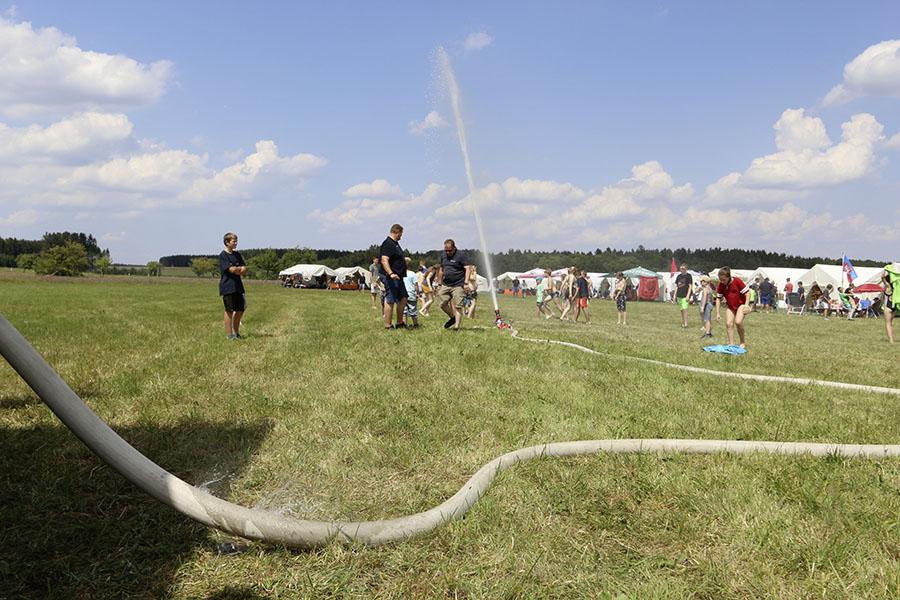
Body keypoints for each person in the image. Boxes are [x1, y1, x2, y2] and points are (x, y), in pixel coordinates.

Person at [436, 239, 474, 331]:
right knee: (442, 304)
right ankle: (452, 318)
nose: (448, 252)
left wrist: (466, 283)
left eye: (449, 250)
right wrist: (439, 283)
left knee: (458, 306)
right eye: (446, 250)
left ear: (454, 248)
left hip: (458, 284)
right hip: (446, 284)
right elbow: (441, 270)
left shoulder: (461, 255)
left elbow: (467, 268)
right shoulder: (443, 255)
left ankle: (457, 327)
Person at [379, 224, 408, 329]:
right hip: (391, 276)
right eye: (401, 234)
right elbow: (384, 260)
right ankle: (388, 325)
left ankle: (400, 323)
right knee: (390, 300)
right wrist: (391, 273)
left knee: (403, 298)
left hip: (398, 276)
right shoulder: (388, 243)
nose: (401, 236)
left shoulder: (395, 244)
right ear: (397, 232)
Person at [218, 232, 247, 340]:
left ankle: (236, 333)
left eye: (236, 241)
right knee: (229, 310)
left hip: (238, 287)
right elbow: (231, 270)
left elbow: (244, 270)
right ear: (227, 242)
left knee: (240, 310)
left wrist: (238, 269)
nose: (236, 243)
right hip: (228, 287)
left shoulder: (237, 255)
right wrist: (238, 269)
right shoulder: (223, 256)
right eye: (234, 241)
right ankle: (229, 335)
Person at [715, 266, 750, 348]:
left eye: (724, 279)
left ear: (729, 277)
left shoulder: (737, 281)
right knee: (728, 324)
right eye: (720, 279)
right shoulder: (721, 285)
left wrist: (747, 305)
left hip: (741, 305)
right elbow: (718, 299)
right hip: (731, 306)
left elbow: (747, 293)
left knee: (738, 322)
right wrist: (717, 313)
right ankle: (731, 344)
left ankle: (742, 342)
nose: (722, 281)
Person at [882, 264, 898, 343]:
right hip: (895, 305)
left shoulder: (888, 286)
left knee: (888, 323)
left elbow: (883, 277)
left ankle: (891, 340)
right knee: (891, 322)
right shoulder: (897, 287)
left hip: (888, 305)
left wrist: (886, 270)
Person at [402, 258, 420, 328]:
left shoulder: (400, 273)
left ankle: (404, 325)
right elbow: (416, 285)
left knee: (404, 311)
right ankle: (415, 324)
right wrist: (417, 293)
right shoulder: (413, 274)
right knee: (413, 310)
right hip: (411, 294)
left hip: (402, 294)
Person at [675, 264, 692, 328]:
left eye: (683, 269)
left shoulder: (688, 276)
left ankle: (686, 324)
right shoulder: (678, 276)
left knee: (685, 309)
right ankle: (683, 322)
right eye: (681, 268)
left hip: (685, 295)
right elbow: (677, 286)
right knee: (681, 309)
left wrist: (688, 295)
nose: (681, 270)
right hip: (679, 295)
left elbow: (690, 286)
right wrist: (674, 295)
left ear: (686, 269)